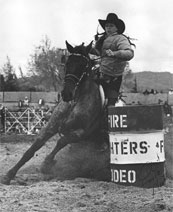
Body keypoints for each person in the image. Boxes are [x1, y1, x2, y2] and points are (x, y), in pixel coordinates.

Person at [91, 13, 135, 106]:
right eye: (106, 26)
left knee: (110, 106)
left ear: (117, 28)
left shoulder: (121, 39)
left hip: (113, 77)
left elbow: (129, 53)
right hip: (99, 73)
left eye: (111, 26)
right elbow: (99, 53)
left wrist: (115, 53)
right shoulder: (102, 39)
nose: (108, 28)